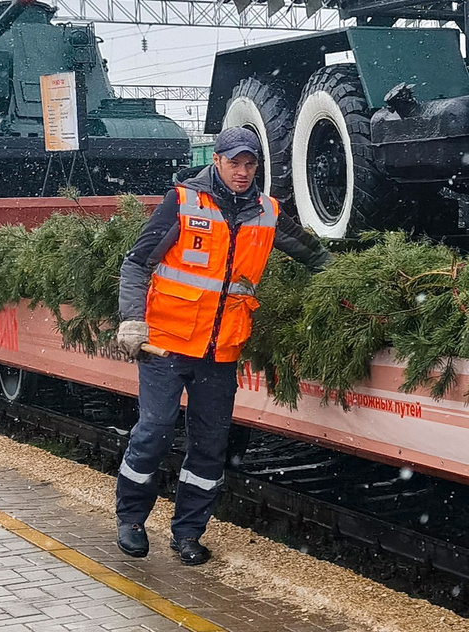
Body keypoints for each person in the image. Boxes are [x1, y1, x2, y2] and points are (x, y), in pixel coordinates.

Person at [113, 127, 328, 565]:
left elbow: (313, 254)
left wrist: (347, 275)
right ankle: (131, 520)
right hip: (167, 346)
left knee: (210, 445)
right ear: (217, 160)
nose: (243, 172)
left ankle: (188, 533)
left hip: (221, 351)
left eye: (251, 165)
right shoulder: (184, 202)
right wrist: (132, 321)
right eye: (235, 163)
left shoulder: (266, 213)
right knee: (154, 431)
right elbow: (136, 264)